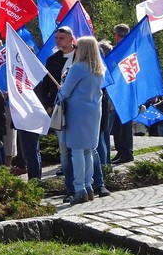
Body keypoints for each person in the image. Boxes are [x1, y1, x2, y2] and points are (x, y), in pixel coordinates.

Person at [57, 36, 106, 205]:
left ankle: (79, 189)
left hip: (77, 114)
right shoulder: (99, 69)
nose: (75, 49)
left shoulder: (78, 68)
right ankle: (88, 185)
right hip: (93, 113)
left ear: (83, 49)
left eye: (77, 46)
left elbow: (65, 93)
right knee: (88, 150)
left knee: (77, 151)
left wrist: (61, 87)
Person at [35, 26, 75, 189]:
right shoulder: (52, 60)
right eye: (57, 39)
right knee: (64, 149)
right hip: (59, 109)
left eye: (62, 38)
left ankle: (93, 182)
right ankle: (69, 185)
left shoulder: (81, 56)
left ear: (71, 38)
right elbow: (45, 86)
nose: (58, 41)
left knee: (84, 149)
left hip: (79, 109)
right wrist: (48, 106)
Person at [110, 23, 134, 165]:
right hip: (120, 93)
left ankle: (126, 152)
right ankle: (121, 151)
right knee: (118, 126)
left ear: (117, 35)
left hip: (125, 93)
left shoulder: (125, 50)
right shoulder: (125, 49)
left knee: (124, 125)